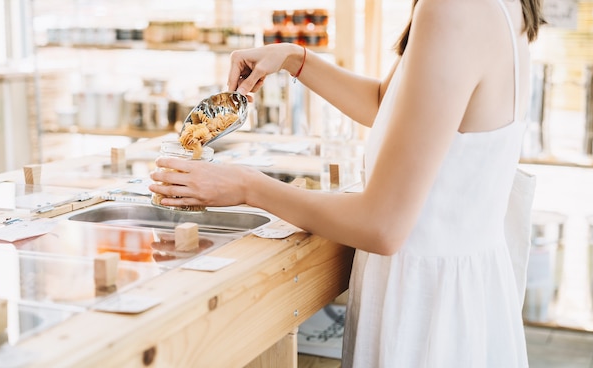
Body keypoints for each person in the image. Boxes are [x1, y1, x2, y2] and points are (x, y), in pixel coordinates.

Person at [150, 0, 546, 366]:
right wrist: (293, 58)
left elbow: (383, 225)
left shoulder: (454, 8)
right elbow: (385, 103)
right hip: (461, 297)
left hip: (428, 313)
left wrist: (247, 187)